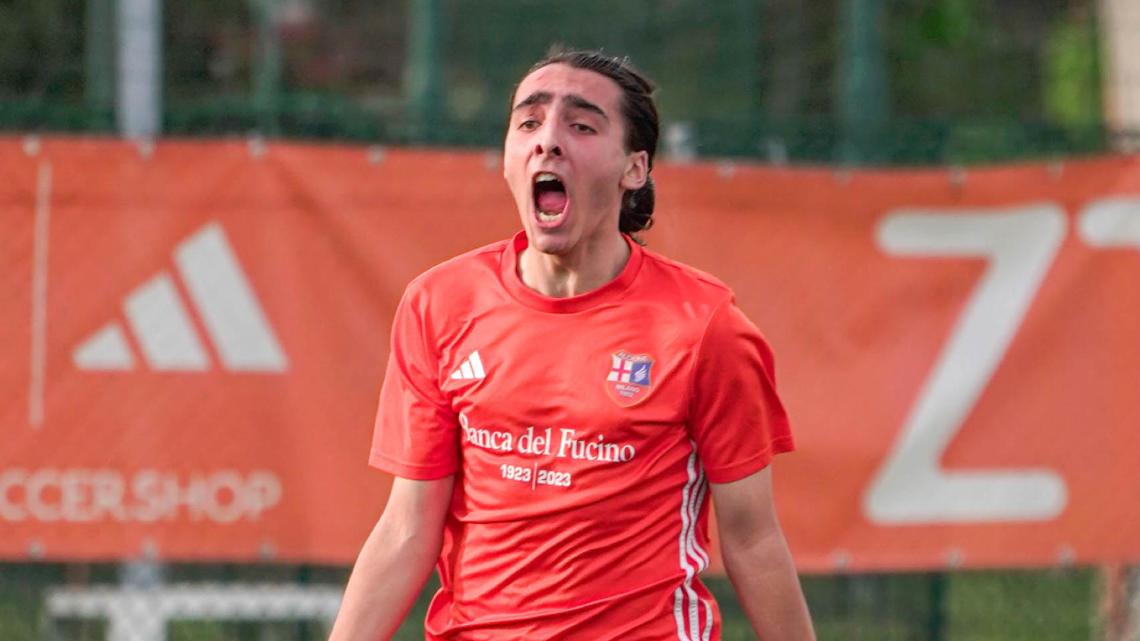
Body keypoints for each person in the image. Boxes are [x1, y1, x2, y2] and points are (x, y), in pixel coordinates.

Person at [328, 48, 815, 641]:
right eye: (529, 122)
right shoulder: (438, 303)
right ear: (508, 158)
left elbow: (753, 538)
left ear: (634, 169)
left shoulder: (705, 326)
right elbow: (407, 529)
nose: (548, 141)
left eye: (581, 126)